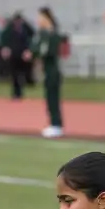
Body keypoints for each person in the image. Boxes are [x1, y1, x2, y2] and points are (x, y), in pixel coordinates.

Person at [34, 7, 65, 139]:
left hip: (52, 71)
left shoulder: (52, 35)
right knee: (49, 98)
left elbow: (48, 51)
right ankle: (53, 123)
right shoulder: (43, 34)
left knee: (53, 98)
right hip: (47, 70)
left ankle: (56, 124)